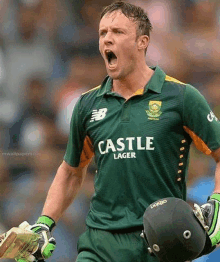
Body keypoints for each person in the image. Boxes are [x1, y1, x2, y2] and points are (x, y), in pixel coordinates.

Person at [17, 1, 220, 262]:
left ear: (142, 42)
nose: (107, 40)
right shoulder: (87, 104)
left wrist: (217, 200)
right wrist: (44, 223)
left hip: (161, 244)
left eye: (117, 32)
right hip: (99, 246)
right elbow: (70, 172)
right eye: (102, 33)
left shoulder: (181, 97)